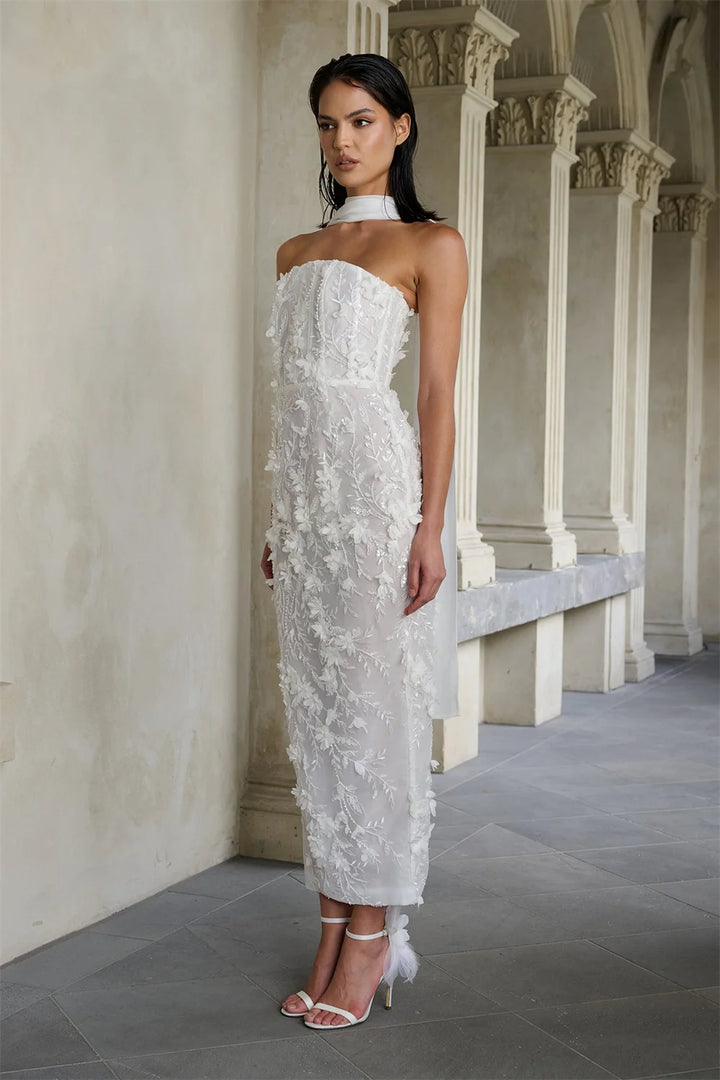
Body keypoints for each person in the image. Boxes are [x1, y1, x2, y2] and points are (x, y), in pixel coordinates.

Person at [260, 52, 467, 1030]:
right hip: (306, 509)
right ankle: (335, 917)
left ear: (400, 127)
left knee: (372, 714)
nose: (343, 141)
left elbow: (432, 396)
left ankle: (376, 932)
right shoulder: (295, 253)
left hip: (377, 500)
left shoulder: (431, 244)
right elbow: (291, 400)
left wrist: (430, 525)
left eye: (360, 122)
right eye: (328, 124)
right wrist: (283, 520)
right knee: (320, 716)